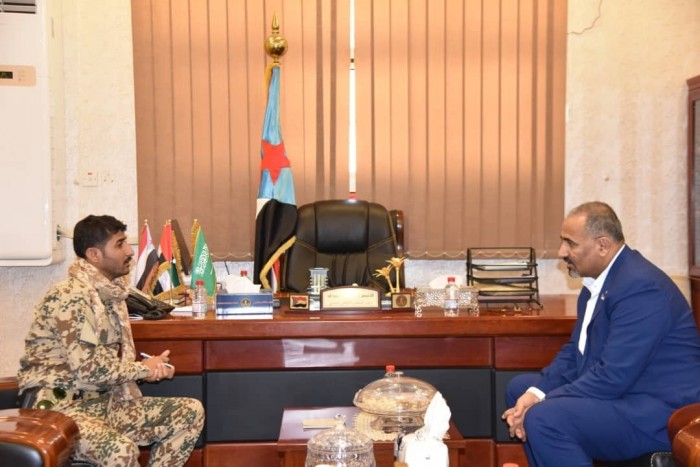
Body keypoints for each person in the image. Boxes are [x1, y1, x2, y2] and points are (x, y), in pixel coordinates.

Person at [502, 201, 700, 466]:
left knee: (544, 417)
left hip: (660, 412)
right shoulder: (598, 284)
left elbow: (613, 376)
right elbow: (575, 353)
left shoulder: (641, 287)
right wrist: (535, 394)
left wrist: (541, 401)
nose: (562, 252)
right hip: (627, 396)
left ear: (602, 245)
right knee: (521, 389)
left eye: (570, 243)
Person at [17, 215, 204, 466]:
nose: (129, 251)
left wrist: (148, 369)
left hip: (104, 403)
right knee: (120, 451)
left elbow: (105, 366)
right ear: (94, 255)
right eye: (119, 244)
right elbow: (89, 371)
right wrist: (143, 369)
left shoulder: (111, 295)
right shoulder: (71, 296)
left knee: (188, 413)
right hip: (61, 410)